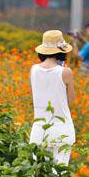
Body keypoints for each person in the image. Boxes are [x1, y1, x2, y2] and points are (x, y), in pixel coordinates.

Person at [30, 30, 76, 165]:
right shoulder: (66, 72)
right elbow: (71, 100)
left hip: (39, 129)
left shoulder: (33, 69)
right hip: (61, 129)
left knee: (38, 176)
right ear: (62, 51)